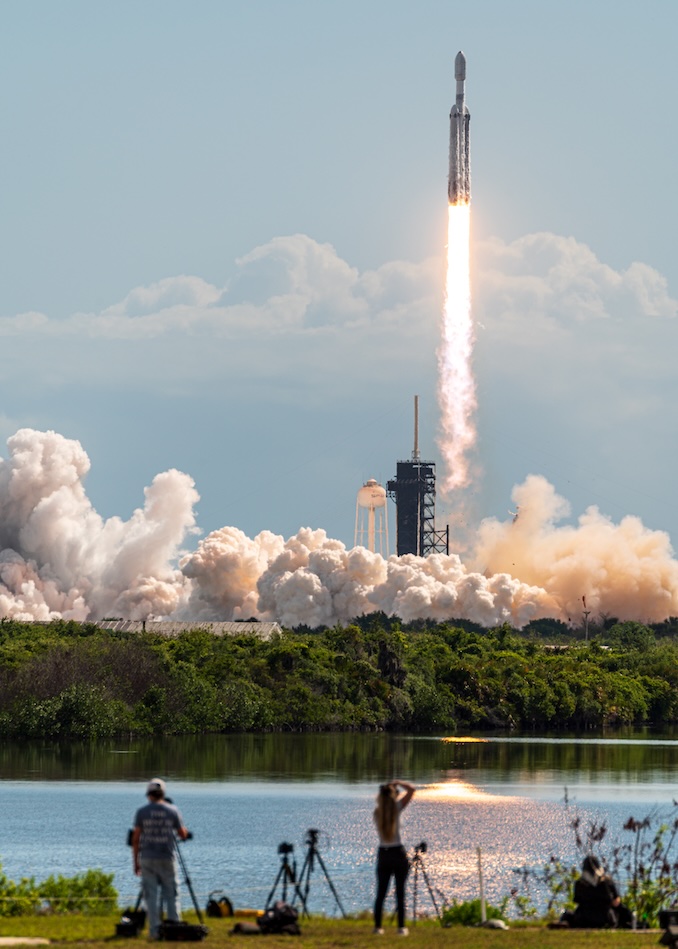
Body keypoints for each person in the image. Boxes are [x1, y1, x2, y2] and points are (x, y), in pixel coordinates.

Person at [132, 778, 190, 940]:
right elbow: (182, 834)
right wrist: (185, 833)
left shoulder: (142, 812)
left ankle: (154, 932)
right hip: (167, 857)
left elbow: (136, 838)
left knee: (151, 896)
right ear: (163, 794)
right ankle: (173, 929)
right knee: (171, 894)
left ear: (149, 795)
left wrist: (135, 862)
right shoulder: (173, 810)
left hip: (147, 858)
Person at [373, 779, 415, 936]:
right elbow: (411, 790)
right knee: (400, 893)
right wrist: (397, 782)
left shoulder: (377, 813)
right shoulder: (396, 809)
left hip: (383, 853)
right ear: (393, 796)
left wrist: (390, 789)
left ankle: (378, 927)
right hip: (398, 853)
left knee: (381, 893)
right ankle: (401, 928)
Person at [558, 855, 633, 929]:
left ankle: (564, 924)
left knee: (567, 914)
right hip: (606, 919)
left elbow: (576, 900)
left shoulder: (580, 883)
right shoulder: (607, 882)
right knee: (623, 911)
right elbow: (616, 903)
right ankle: (631, 923)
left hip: (583, 920)